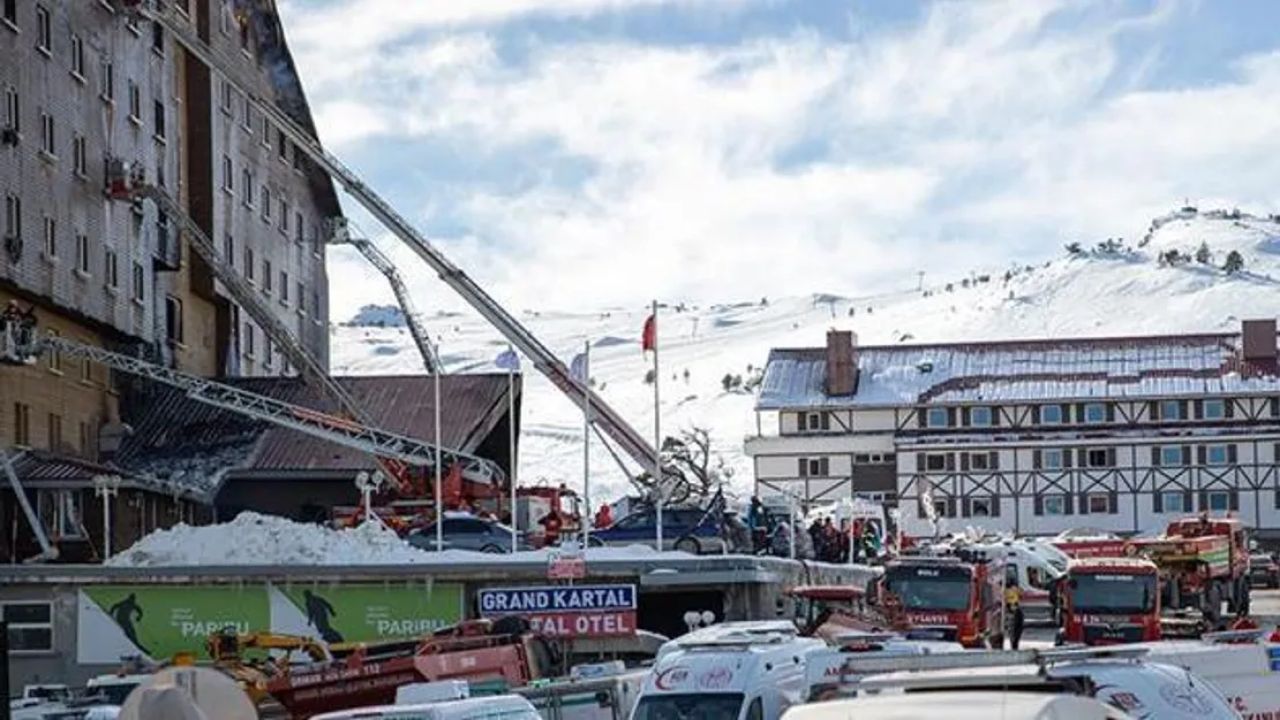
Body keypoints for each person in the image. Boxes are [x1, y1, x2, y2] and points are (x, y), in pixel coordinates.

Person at [1004, 581, 1024, 650]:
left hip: (1013, 610)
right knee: (1014, 629)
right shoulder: (1008, 591)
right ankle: (1014, 644)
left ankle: (1014, 644)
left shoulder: (1007, 591)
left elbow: (1021, 595)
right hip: (1011, 610)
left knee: (1014, 630)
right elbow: (1021, 595)